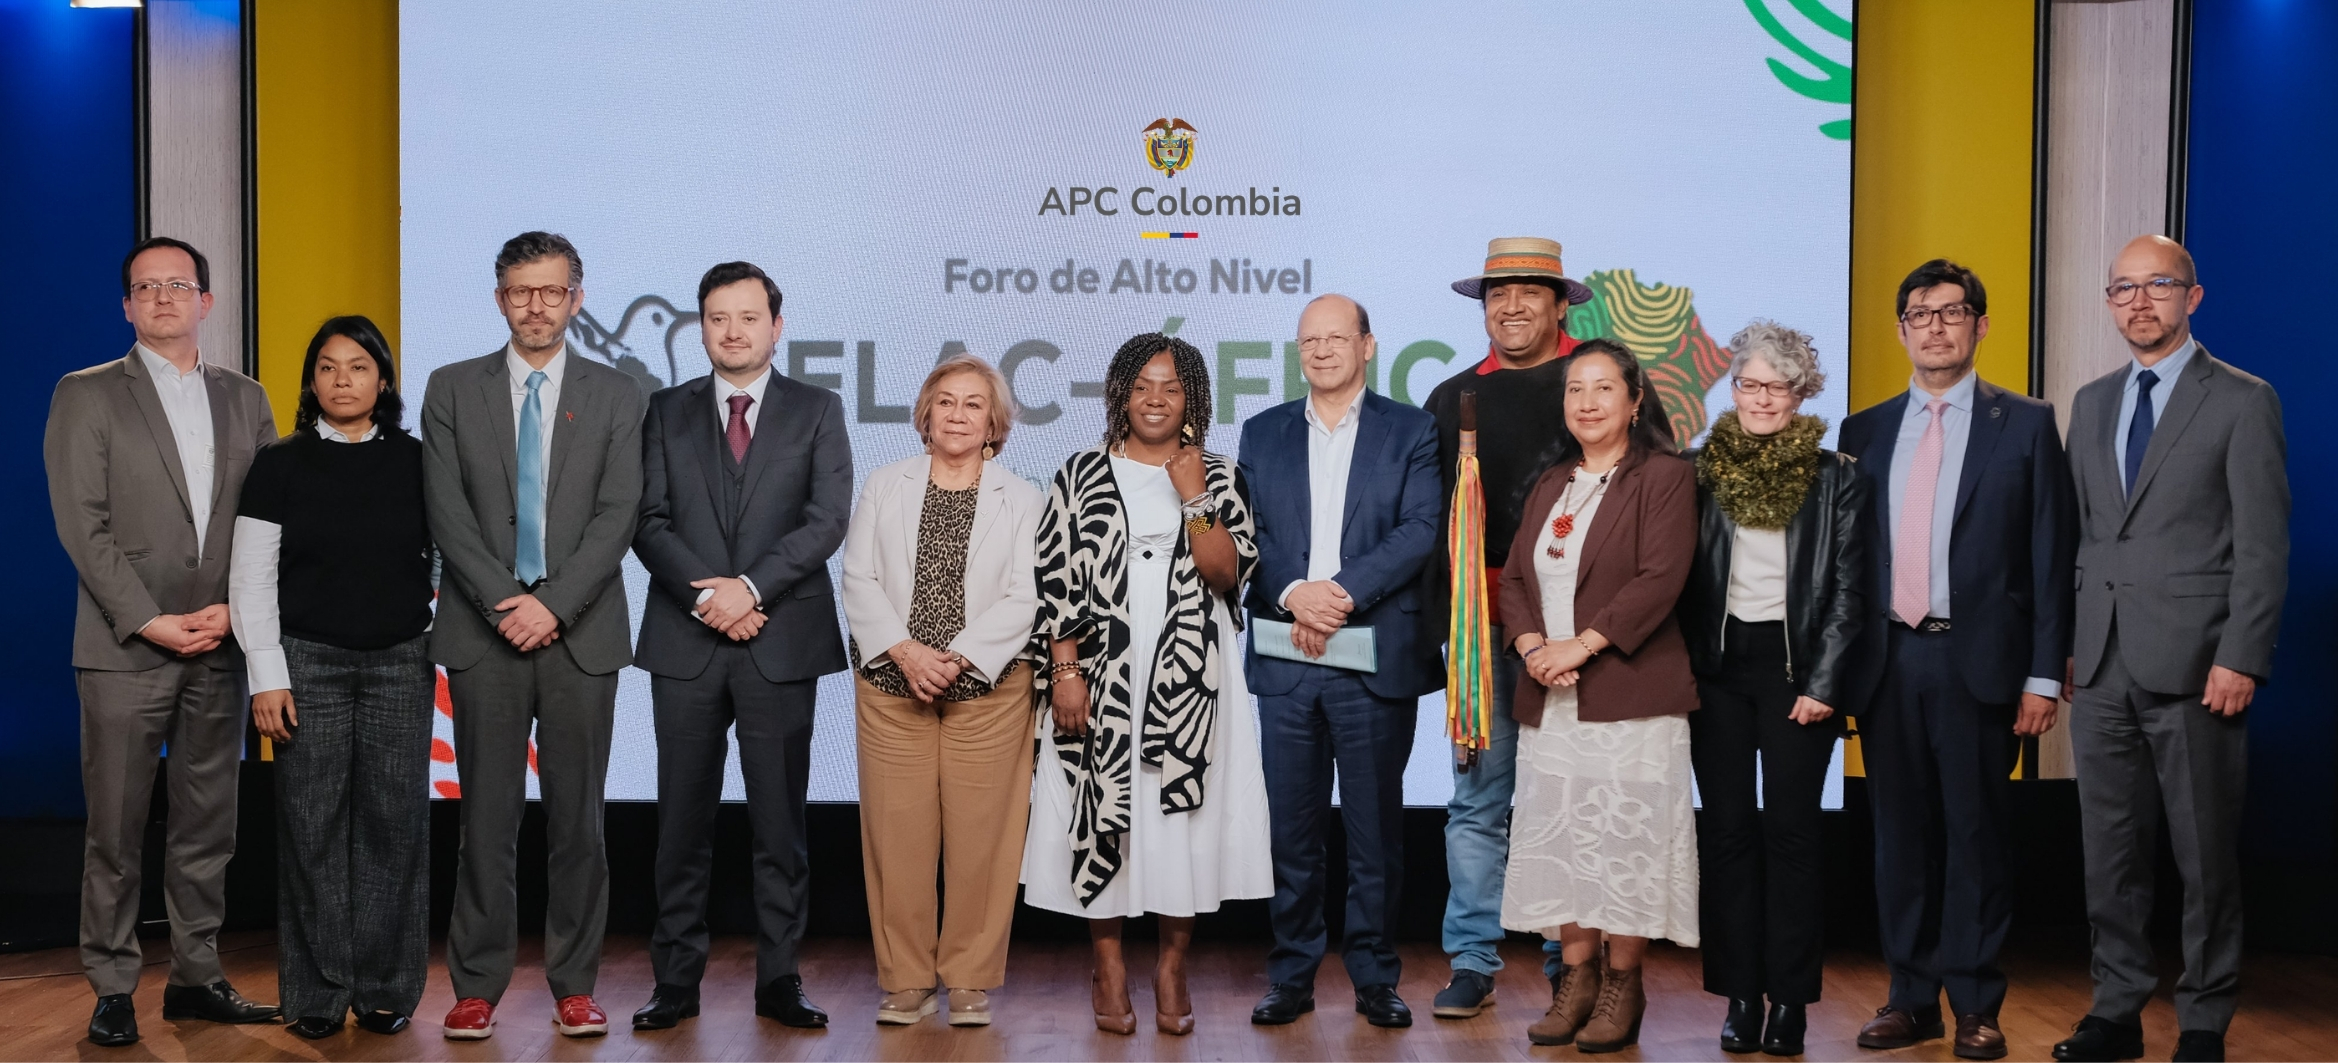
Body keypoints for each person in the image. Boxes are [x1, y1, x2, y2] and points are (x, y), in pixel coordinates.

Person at [2051, 236, 2287, 1063]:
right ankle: (2115, 1009)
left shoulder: (2243, 399)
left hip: (2198, 666)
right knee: (2108, 854)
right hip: (2103, 664)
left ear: (2194, 296)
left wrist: (2242, 654)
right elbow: (2081, 536)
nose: (2139, 301)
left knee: (2204, 855)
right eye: (2123, 288)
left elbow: (2262, 544)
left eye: (2158, 285)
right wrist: (2070, 643)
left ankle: (2203, 1019)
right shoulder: (2092, 400)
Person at [44, 237, 282, 1047]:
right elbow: (84, 525)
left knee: (208, 822)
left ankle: (196, 973)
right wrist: (149, 617)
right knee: (115, 827)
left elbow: (265, 520)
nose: (163, 297)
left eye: (178, 284)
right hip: (125, 648)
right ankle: (112, 984)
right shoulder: (86, 394)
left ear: (206, 302)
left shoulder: (247, 398)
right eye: (145, 287)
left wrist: (231, 612)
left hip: (219, 641)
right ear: (126, 306)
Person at [1837, 259, 2076, 1062]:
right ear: (1901, 329)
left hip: (1980, 663)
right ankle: (1910, 998)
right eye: (1919, 313)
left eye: (1952, 311)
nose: (1935, 325)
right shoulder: (1861, 430)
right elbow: (1844, 564)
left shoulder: (2028, 423)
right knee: (1897, 837)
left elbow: (2051, 555)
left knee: (1977, 835)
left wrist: (2045, 673)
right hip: (1886, 660)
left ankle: (1976, 1001)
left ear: (1979, 324)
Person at [422, 231, 645, 1040]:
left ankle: (575, 984)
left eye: (553, 291)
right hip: (485, 635)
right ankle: (476, 984)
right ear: (499, 298)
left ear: (577, 299)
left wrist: (553, 605)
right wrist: (506, 601)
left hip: (581, 636)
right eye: (522, 290)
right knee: (485, 818)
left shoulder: (619, 393)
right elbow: (446, 512)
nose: (537, 305)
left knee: (578, 821)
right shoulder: (451, 388)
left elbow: (619, 514)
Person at [1024, 333, 1271, 1037]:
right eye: (1141, 386)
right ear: (1120, 396)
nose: (1155, 399)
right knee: (1103, 808)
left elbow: (1227, 574)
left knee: (1176, 821)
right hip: (1097, 677)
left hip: (1191, 683)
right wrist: (1066, 671)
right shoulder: (1079, 472)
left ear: (1192, 396)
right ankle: (1106, 962)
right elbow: (1055, 579)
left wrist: (1194, 495)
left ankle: (1171, 963)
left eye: (1170, 386)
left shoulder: (1218, 474)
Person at [630, 261, 850, 1032]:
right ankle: (675, 981)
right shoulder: (662, 410)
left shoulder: (818, 409)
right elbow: (648, 520)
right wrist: (710, 595)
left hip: (777, 637)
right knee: (680, 824)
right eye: (718, 317)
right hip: (686, 644)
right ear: (701, 327)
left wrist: (748, 590)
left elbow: (826, 520)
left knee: (779, 825)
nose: (733, 330)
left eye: (748, 317)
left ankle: (779, 978)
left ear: (776, 325)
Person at [229, 315, 435, 1040]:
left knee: (394, 828)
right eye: (327, 367)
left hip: (400, 661)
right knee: (310, 828)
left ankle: (384, 987)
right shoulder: (279, 464)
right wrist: (266, 675)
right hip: (305, 662)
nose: (341, 379)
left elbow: (446, 556)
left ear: (383, 380)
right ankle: (315, 992)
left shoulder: (418, 459)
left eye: (357, 366)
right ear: (311, 381)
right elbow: (250, 579)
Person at [1239, 295, 1442, 1030]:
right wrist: (1295, 592)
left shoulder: (1413, 429)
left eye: (1336, 338)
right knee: (1291, 833)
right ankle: (1291, 974)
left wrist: (1342, 593)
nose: (1321, 351)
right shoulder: (1261, 432)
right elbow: (1247, 532)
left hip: (1372, 656)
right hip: (1287, 652)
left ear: (1367, 345)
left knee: (1373, 835)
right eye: (1308, 340)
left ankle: (1374, 977)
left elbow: (1422, 527)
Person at [1678, 321, 1874, 1056]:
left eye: (1777, 386)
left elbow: (1851, 590)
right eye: (1748, 384)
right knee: (1726, 836)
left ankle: (1789, 1001)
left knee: (1792, 837)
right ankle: (1738, 996)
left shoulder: (1837, 476)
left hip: (1799, 678)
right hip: (1718, 673)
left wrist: (1826, 681)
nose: (1761, 398)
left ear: (1802, 392)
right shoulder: (1699, 467)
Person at [1497, 340, 1697, 1053]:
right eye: (1574, 388)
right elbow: (1515, 580)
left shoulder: (1666, 476)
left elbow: (1659, 578)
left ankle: (1622, 984)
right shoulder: (1553, 481)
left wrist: (1578, 646)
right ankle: (1575, 979)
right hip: (1551, 695)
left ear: (1635, 400)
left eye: (1603, 388)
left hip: (1631, 695)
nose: (1586, 401)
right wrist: (1531, 650)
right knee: (1566, 842)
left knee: (1626, 844)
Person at [841, 354, 1042, 1028]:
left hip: (989, 692)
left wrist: (956, 657)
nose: (958, 414)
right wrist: (906, 650)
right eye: (946, 402)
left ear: (995, 422)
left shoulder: (1025, 497)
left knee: (983, 839)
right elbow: (858, 577)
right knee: (897, 838)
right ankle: (904, 979)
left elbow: (1026, 596)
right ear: (925, 415)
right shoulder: (882, 484)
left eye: (973, 404)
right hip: (891, 687)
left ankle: (969, 978)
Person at [1420, 237, 1587, 1018]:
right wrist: (1439, 635)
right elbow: (1429, 527)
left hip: (1573, 632)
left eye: (1529, 291)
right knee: (1478, 799)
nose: (1511, 306)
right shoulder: (1455, 398)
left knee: (1565, 797)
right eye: (1497, 293)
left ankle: (1569, 959)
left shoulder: (1600, 384)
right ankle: (1474, 958)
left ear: (1561, 304)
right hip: (1483, 627)